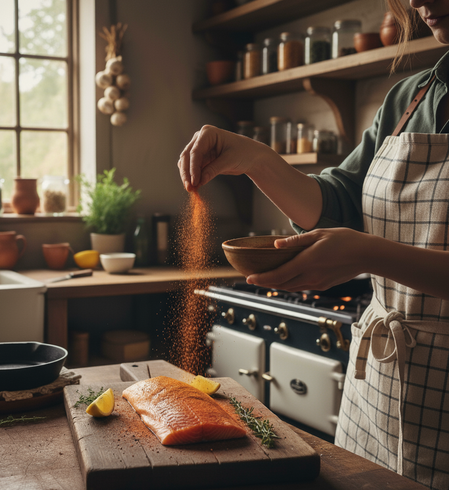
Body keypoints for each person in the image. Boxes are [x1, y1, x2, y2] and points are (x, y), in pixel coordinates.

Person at [177, 1, 449, 488]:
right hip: (379, 392)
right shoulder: (413, 95)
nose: (416, 2)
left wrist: (367, 253)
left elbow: (361, 238)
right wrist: (257, 159)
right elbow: (340, 200)